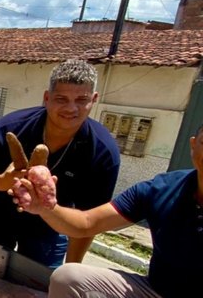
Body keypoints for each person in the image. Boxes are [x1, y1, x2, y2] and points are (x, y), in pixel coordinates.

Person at [15, 123, 203, 298]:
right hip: (154, 290)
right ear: (193, 145)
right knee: (68, 277)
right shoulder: (162, 188)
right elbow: (87, 223)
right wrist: (46, 208)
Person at [0, 59, 121, 268]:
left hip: (50, 225)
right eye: (61, 99)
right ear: (47, 98)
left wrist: (72, 271)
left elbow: (90, 221)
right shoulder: (11, 127)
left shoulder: (102, 152)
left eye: (81, 99)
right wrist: (1, 182)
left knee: (38, 284)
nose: (71, 108)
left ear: (94, 100)